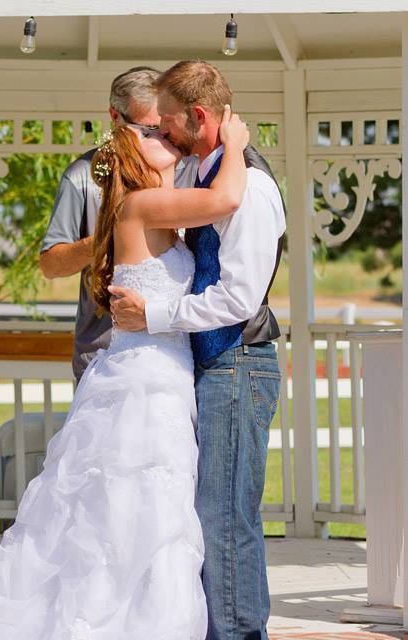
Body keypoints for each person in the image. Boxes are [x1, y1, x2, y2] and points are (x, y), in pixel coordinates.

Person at [0, 109, 252, 639]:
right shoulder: (137, 204)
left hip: (164, 374)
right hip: (142, 381)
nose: (163, 136)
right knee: (134, 506)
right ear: (132, 159)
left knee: (152, 508)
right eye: (149, 135)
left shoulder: (162, 217)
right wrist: (238, 145)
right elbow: (225, 199)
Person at [110, 60, 286, 640]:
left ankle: (239, 634)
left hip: (239, 361)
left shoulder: (250, 188)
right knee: (206, 515)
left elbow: (237, 298)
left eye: (166, 125)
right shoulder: (202, 175)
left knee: (227, 515)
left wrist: (154, 313)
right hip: (207, 366)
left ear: (200, 117)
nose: (161, 134)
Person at [40, 66, 197, 382]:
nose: (162, 139)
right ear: (115, 116)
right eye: (148, 129)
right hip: (102, 355)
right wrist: (115, 234)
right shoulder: (82, 176)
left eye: (166, 127)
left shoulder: (189, 168)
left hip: (180, 354)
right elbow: (51, 265)